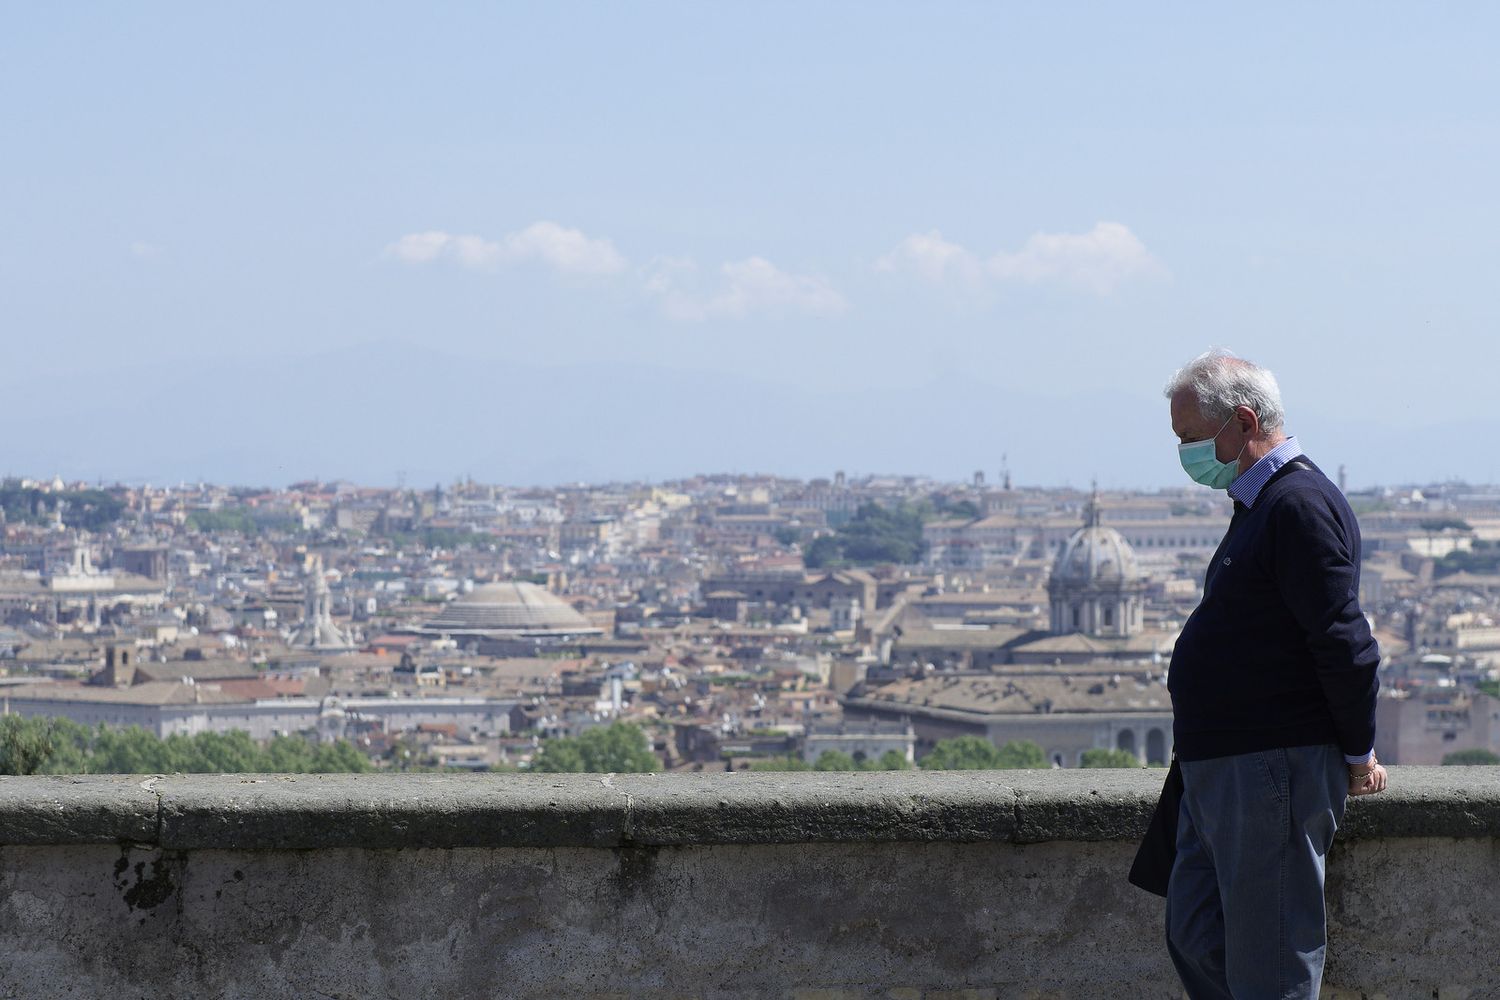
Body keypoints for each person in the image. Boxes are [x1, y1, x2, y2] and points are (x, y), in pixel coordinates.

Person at [1162, 349, 1387, 999]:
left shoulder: (1298, 506)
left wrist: (1358, 752)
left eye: (1191, 439)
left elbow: (1345, 641)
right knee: (1196, 934)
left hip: (1270, 766)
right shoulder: (1262, 505)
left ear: (1243, 422)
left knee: (1271, 964)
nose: (1185, 456)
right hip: (1224, 765)